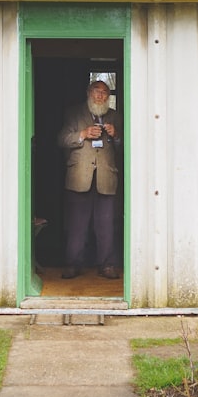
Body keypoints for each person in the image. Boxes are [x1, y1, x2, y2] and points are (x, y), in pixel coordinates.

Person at [57, 80, 122, 279]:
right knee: (77, 224)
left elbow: (126, 147)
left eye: (105, 93)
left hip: (106, 177)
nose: (100, 96)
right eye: (97, 92)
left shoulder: (115, 116)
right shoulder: (74, 113)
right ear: (88, 93)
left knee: (106, 225)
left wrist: (116, 135)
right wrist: (83, 134)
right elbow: (61, 140)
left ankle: (108, 265)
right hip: (79, 177)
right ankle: (73, 264)